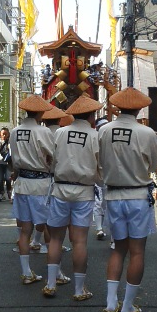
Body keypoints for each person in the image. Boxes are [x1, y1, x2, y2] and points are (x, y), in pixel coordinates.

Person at [98, 87, 157, 312]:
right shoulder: (147, 133)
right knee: (137, 251)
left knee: (117, 249)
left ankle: (110, 301)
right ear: (139, 108)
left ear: (117, 107)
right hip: (137, 196)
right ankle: (127, 305)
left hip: (113, 196)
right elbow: (155, 165)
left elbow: (98, 160)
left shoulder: (103, 131)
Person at [43, 95, 102, 300]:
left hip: (60, 189)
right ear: (92, 116)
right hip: (84, 192)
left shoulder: (59, 132)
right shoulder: (95, 136)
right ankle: (78, 290)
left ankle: (50, 284)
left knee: (56, 240)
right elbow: (99, 166)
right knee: (79, 242)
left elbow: (50, 159)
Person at [9, 94, 54, 284]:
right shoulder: (43, 132)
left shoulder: (15, 131)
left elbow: (13, 159)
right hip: (40, 184)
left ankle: (26, 272)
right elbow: (53, 156)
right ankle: (55, 273)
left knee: (24, 230)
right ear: (41, 112)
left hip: (22, 183)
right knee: (50, 228)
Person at [0, 127, 12, 202]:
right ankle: (2, 194)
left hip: (9, 163)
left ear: (8, 134)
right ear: (0, 134)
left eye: (5, 134)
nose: (4, 135)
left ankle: (9, 192)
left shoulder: (11, 142)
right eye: (3, 134)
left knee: (8, 178)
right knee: (0, 179)